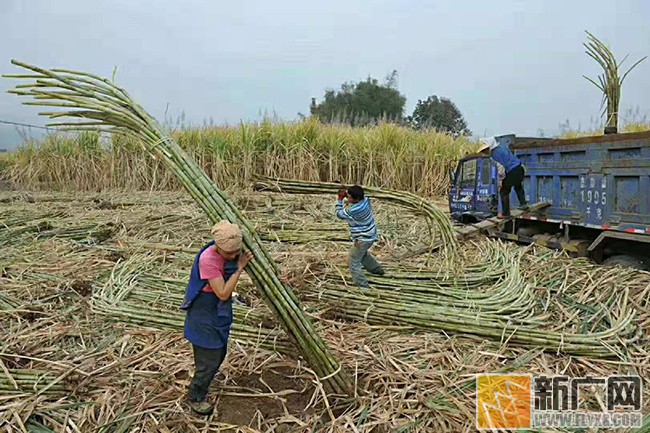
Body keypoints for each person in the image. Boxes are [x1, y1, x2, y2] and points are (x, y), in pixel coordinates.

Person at [180, 220, 254, 415]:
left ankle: (204, 382)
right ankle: (195, 397)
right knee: (209, 359)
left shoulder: (232, 252)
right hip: (203, 313)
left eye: (235, 252)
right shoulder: (208, 259)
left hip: (217, 312)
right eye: (228, 253)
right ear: (217, 247)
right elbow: (222, 292)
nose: (232, 256)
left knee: (219, 353)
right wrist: (239, 268)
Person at [336, 185, 384, 288]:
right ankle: (377, 270)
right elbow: (356, 195)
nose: (347, 198)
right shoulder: (366, 200)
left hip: (363, 239)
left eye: (349, 197)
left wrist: (340, 199)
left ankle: (363, 286)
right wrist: (348, 194)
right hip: (371, 234)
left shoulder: (355, 210)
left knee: (353, 260)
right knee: (362, 254)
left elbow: (339, 214)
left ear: (356, 199)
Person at [479, 136, 529, 218]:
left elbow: (501, 168)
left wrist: (501, 182)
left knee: (504, 192)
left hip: (512, 171)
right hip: (520, 168)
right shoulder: (502, 148)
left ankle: (506, 214)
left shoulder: (494, 154)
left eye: (485, 150)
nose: (485, 152)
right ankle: (524, 204)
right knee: (518, 186)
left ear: (490, 147)